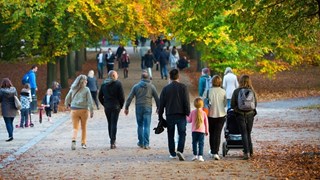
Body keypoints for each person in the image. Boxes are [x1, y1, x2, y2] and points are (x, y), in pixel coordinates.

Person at [158, 69, 190, 161]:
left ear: (170, 77)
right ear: (178, 77)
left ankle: (172, 153)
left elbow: (161, 104)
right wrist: (188, 113)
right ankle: (180, 150)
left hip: (170, 114)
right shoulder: (183, 87)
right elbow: (186, 101)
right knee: (182, 133)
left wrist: (160, 116)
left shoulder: (166, 89)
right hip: (181, 114)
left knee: (170, 134)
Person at [124, 71, 160, 149]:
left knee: (140, 125)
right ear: (148, 78)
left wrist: (126, 107)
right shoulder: (152, 87)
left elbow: (129, 98)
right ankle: (146, 144)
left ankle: (141, 142)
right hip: (148, 107)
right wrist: (158, 108)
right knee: (147, 126)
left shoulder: (136, 86)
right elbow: (157, 98)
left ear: (141, 78)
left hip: (139, 107)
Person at [231, 75, 257, 160]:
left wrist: (237, 110)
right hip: (250, 114)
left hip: (240, 114)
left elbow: (232, 104)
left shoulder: (236, 91)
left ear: (240, 81)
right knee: (248, 133)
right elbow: (255, 104)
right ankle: (251, 151)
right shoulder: (252, 91)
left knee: (243, 133)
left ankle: (246, 153)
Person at [65, 75, 94, 150]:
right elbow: (90, 101)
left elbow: (67, 98)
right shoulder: (86, 89)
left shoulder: (73, 89)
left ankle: (73, 140)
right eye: (86, 80)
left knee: (75, 127)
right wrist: (91, 111)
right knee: (83, 127)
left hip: (74, 110)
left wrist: (67, 106)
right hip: (84, 110)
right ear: (83, 81)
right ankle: (83, 143)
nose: (87, 81)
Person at [98, 70, 125, 149]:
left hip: (108, 106)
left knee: (109, 123)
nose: (117, 76)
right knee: (114, 123)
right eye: (116, 75)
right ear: (113, 76)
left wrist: (104, 104)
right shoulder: (118, 84)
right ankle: (113, 141)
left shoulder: (104, 84)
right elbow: (122, 97)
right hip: (116, 106)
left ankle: (111, 139)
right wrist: (121, 105)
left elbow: (100, 97)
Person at [205, 75, 227, 160]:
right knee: (218, 134)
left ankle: (212, 150)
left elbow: (205, 102)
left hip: (210, 115)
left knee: (212, 133)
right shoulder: (223, 91)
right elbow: (225, 104)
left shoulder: (208, 91)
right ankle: (216, 152)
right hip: (221, 115)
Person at [187, 97, 209, 162]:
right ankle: (200, 156)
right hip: (202, 131)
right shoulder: (204, 113)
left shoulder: (192, 112)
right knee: (201, 143)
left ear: (194, 104)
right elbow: (206, 123)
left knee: (194, 143)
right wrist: (207, 131)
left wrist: (186, 116)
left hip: (194, 131)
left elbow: (189, 120)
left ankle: (195, 155)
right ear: (202, 104)